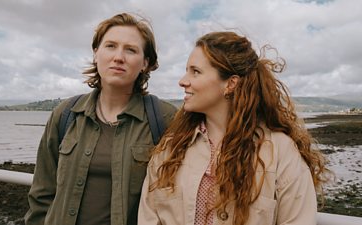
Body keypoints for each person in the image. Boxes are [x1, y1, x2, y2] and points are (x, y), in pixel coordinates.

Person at [138, 31, 329, 225]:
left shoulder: (281, 152)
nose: (182, 81)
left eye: (195, 71)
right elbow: (148, 217)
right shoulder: (171, 149)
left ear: (230, 84)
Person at [25, 13, 177, 225]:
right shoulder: (66, 114)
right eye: (110, 46)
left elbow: (177, 200)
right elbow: (42, 194)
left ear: (145, 63)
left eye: (131, 49)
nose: (118, 57)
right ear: (96, 54)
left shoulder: (164, 118)